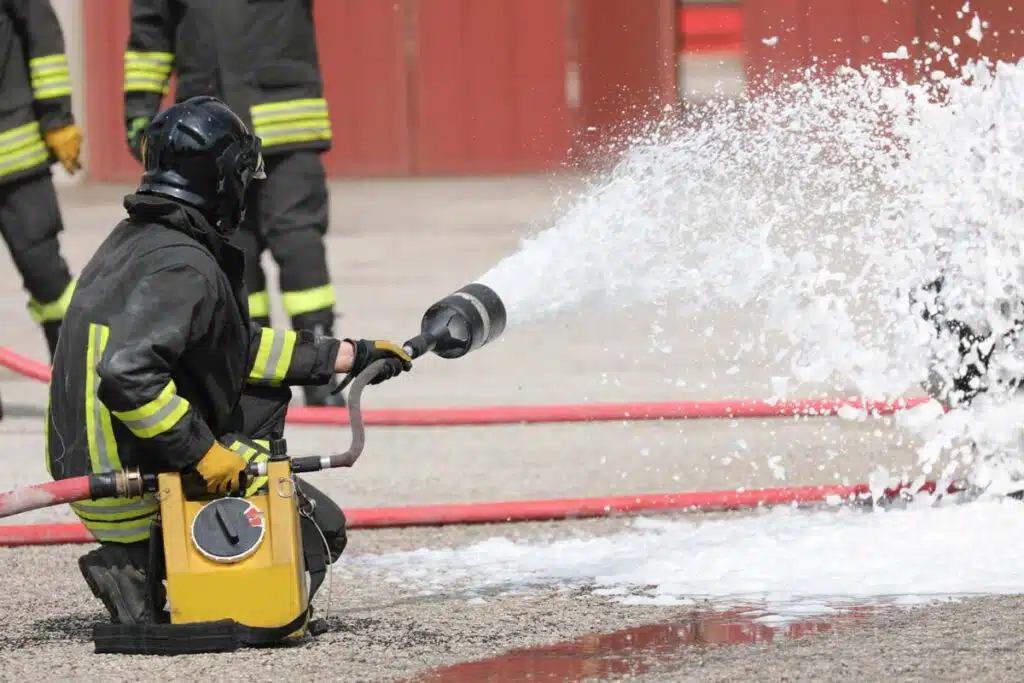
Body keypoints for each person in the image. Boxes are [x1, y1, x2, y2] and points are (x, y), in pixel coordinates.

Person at [45, 96, 413, 625]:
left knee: (259, 405)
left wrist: (347, 355)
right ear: (220, 179)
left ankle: (143, 560)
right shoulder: (183, 265)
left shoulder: (141, 239)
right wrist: (202, 453)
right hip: (127, 479)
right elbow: (128, 378)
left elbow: (229, 347)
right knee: (318, 533)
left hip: (100, 462)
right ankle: (139, 563)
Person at [122, 0, 346, 407]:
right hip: (212, 129)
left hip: (284, 120)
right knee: (232, 247)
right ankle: (251, 368)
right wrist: (140, 109)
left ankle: (319, 368)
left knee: (297, 239)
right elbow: (150, 34)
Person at [0, 0, 82, 419]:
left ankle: (73, 388)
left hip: (17, 153)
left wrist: (56, 119)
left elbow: (43, 34)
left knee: (49, 279)